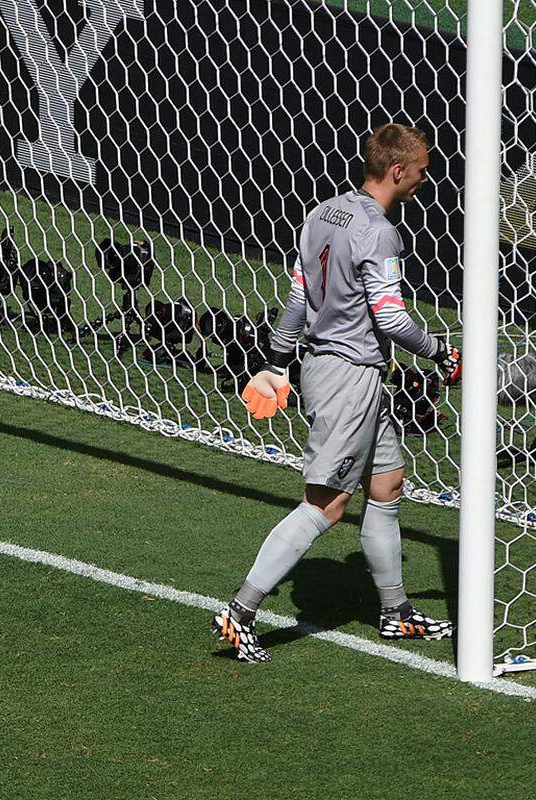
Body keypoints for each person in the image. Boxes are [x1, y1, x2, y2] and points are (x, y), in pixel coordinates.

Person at [215, 122, 461, 663]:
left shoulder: (323, 213)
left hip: (345, 371)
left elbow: (300, 295)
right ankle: (241, 609)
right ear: (397, 171)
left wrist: (279, 361)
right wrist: (442, 352)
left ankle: (395, 613)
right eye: (420, 171)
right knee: (326, 504)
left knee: (388, 485)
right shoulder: (379, 231)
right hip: (349, 376)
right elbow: (391, 317)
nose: (425, 179)